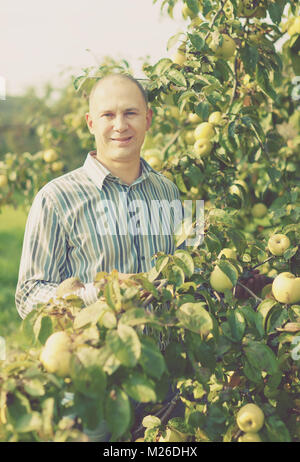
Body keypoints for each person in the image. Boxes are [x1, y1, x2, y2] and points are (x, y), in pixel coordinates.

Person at [15, 73, 186, 441]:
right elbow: (28, 296)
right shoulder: (55, 198)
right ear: (91, 123)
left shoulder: (169, 192)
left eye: (131, 113)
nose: (120, 125)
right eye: (108, 115)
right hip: (96, 385)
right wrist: (95, 295)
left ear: (149, 119)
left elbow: (191, 273)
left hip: (167, 382)